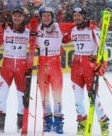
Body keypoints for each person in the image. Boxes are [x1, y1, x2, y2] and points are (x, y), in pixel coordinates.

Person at [69, 7, 110, 136]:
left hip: (89, 67)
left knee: (93, 98)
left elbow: (103, 48)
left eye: (79, 15)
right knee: (78, 100)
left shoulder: (93, 30)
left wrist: (102, 65)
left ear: (84, 16)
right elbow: (63, 38)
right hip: (76, 67)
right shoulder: (73, 30)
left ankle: (104, 123)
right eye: (74, 16)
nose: (76, 18)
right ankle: (82, 123)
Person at [0, 6, 30, 133]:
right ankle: (0, 123)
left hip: (22, 68)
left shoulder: (28, 31)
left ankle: (20, 123)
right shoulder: (5, 29)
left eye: (20, 16)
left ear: (23, 17)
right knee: (2, 95)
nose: (17, 18)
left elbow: (38, 44)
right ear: (12, 17)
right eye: (15, 15)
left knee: (21, 97)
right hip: (7, 66)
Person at [35, 6, 68, 134]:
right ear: (41, 18)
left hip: (55, 65)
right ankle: (47, 121)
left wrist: (91, 25)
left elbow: (75, 28)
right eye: (44, 16)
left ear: (52, 17)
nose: (46, 18)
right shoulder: (37, 29)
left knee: (57, 95)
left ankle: (58, 122)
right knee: (44, 96)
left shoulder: (59, 27)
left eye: (49, 15)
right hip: (42, 64)